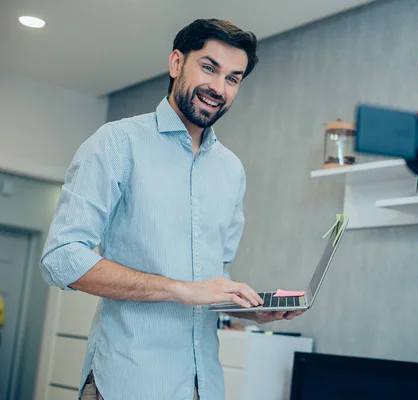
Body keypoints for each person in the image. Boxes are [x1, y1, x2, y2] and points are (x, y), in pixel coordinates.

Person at [40, 18, 304, 400]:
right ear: (177, 63)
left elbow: (212, 282)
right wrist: (181, 290)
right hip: (127, 383)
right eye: (209, 68)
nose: (218, 88)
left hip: (203, 387)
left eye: (233, 78)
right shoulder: (117, 143)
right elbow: (61, 258)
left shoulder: (232, 170)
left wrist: (252, 311)